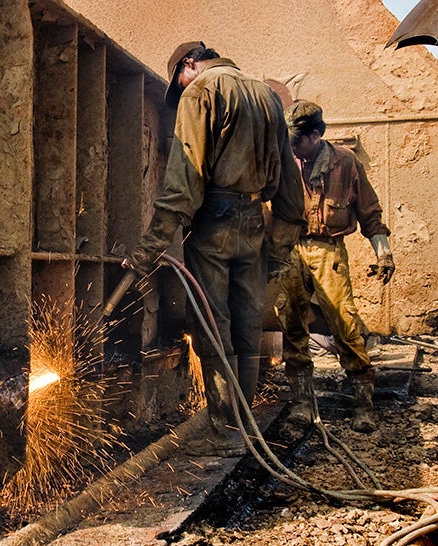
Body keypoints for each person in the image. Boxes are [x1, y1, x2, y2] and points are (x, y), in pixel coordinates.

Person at [123, 41, 305, 456]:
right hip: (255, 218)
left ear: (190, 64)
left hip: (215, 218)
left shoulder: (202, 90)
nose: (181, 90)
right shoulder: (266, 95)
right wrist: (279, 246)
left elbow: (183, 179)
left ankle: (225, 429)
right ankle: (246, 422)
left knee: (212, 323)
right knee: (247, 323)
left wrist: (148, 248)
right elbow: (291, 188)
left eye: (180, 81)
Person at [277, 100, 395, 434]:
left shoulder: (346, 162)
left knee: (344, 325)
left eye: (297, 141)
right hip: (289, 249)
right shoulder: (284, 159)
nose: (292, 148)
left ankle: (362, 405)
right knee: (293, 327)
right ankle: (302, 403)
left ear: (315, 134)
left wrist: (383, 253)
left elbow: (370, 212)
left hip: (329, 251)